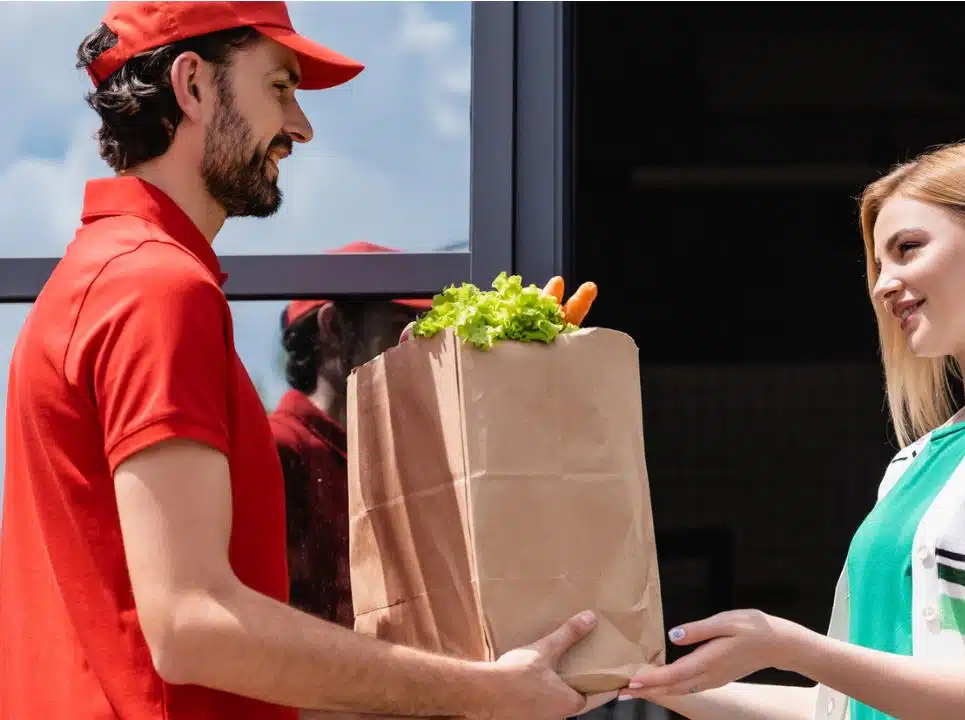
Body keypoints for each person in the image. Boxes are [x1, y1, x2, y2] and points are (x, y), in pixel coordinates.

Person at [0, 4, 604, 719]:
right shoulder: (156, 288)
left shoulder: (100, 276)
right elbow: (192, 627)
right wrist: (486, 693)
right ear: (192, 86)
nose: (300, 127)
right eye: (280, 88)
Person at [623, 142, 965, 720]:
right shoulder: (910, 466)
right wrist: (647, 684)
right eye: (878, 264)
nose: (882, 285)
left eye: (907, 249)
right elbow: (840, 710)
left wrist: (789, 646)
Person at [271, 241, 433, 630]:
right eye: (398, 331)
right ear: (334, 329)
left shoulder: (395, 455)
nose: (416, 349)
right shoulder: (277, 450)